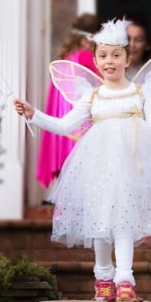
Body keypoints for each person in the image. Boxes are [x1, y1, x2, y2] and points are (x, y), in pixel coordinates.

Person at [14, 18, 151, 302]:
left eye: (116, 55)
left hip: (133, 166)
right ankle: (103, 275)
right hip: (97, 166)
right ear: (95, 60)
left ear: (127, 59)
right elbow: (65, 125)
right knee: (101, 221)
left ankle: (125, 278)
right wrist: (34, 113)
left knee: (124, 220)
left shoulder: (141, 93)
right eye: (103, 55)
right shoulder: (92, 97)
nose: (109, 61)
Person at [35, 13, 101, 189]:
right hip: (80, 116)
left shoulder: (65, 59)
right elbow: (101, 85)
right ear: (90, 39)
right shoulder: (87, 58)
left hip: (64, 114)